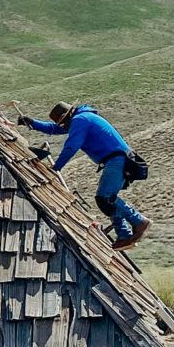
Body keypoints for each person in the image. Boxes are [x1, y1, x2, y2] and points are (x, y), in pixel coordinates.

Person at [22, 101, 151, 251]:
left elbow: (71, 146)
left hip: (117, 159)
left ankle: (139, 221)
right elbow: (54, 129)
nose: (63, 127)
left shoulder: (80, 120)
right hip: (118, 159)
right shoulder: (81, 118)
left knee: (105, 198)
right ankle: (124, 235)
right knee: (108, 199)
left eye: (63, 123)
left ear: (67, 117)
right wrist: (32, 123)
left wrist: (56, 168)